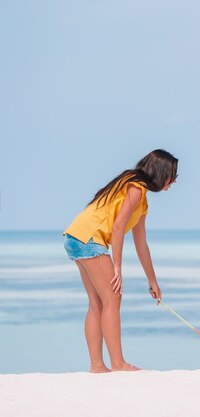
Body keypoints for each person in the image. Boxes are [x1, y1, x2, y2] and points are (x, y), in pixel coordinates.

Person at [63, 149, 178, 373]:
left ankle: (97, 365)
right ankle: (118, 364)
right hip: (89, 239)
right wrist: (117, 267)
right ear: (160, 172)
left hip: (76, 236)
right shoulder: (136, 188)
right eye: (171, 175)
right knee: (113, 298)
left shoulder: (140, 198)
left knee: (97, 302)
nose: (173, 181)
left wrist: (152, 280)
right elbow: (117, 227)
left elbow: (141, 244)